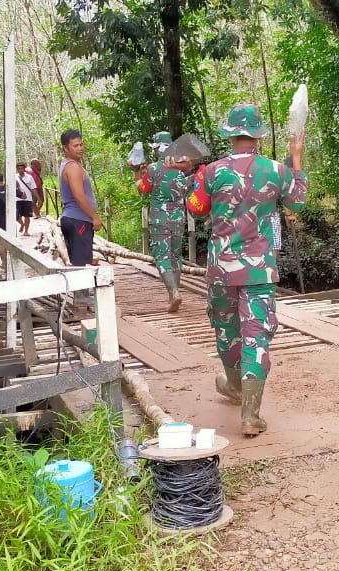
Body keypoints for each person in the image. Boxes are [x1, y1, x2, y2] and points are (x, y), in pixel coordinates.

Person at [185, 104, 306, 436]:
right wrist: (297, 158)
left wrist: (195, 181)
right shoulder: (275, 171)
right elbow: (297, 202)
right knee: (256, 336)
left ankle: (235, 385)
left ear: (230, 133)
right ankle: (250, 414)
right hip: (258, 271)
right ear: (257, 135)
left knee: (226, 330)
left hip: (221, 268)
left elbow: (195, 210)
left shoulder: (212, 172)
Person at [135, 131, 191, 312]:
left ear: (158, 148)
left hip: (159, 217)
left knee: (162, 255)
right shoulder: (182, 170)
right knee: (176, 255)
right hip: (179, 217)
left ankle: (173, 292)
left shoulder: (153, 169)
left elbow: (143, 189)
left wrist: (136, 173)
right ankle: (173, 293)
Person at [59, 129, 101, 268]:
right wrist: (94, 217)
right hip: (78, 220)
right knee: (81, 266)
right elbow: (78, 195)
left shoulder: (69, 165)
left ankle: (81, 290)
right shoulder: (72, 168)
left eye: (81, 145)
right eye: (75, 146)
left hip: (73, 219)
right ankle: (82, 291)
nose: (80, 148)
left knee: (78, 263)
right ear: (66, 148)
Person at [15, 161, 36, 236]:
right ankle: (22, 224)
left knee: (27, 216)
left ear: (24, 169)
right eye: (18, 168)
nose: (20, 170)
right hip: (17, 199)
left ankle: (26, 231)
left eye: (22, 168)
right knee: (16, 215)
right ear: (17, 169)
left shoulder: (29, 177)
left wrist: (37, 198)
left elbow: (33, 188)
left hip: (28, 199)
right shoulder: (14, 177)